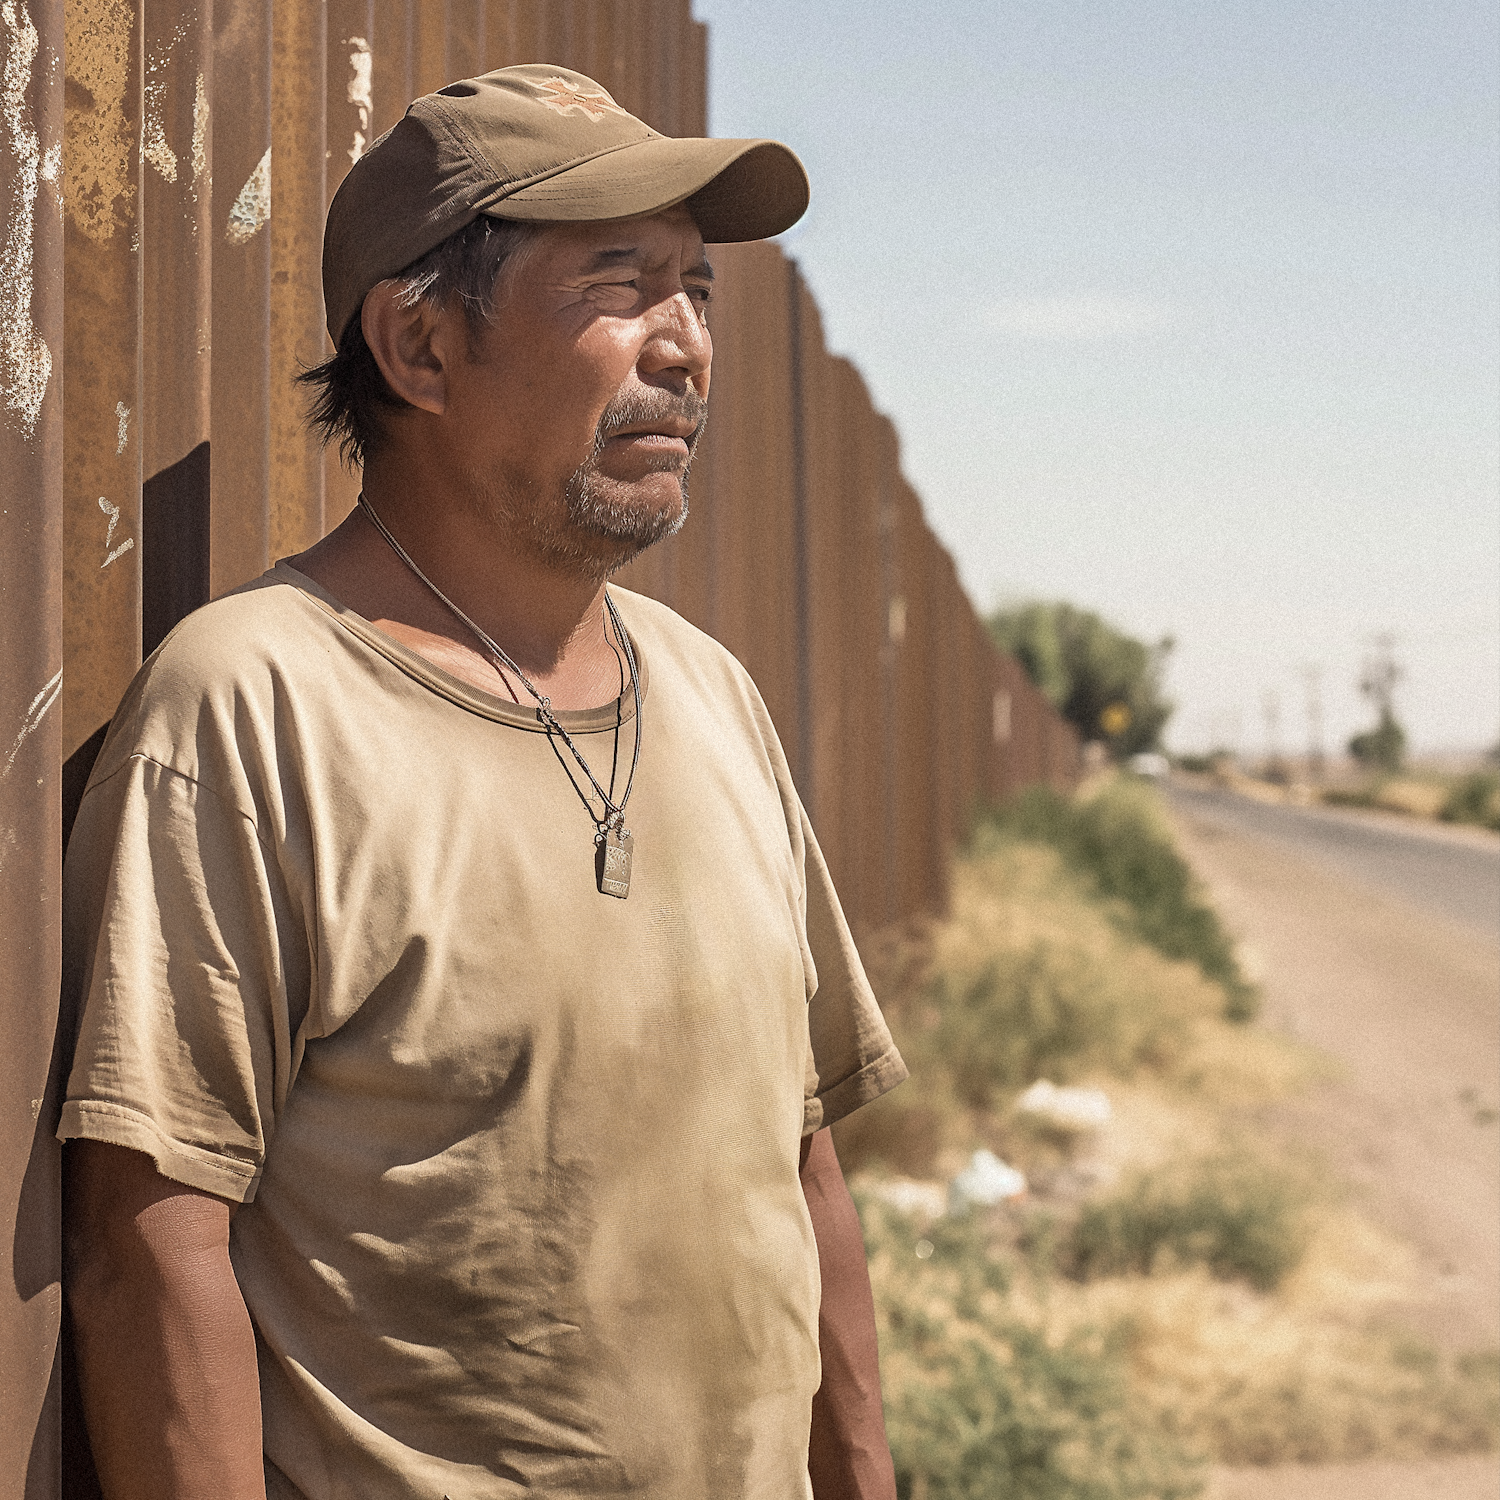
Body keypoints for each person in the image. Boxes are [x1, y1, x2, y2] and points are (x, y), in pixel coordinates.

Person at [60, 63, 906, 1500]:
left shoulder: (711, 691)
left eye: (698, 289)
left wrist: (864, 1473)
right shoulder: (257, 703)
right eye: (623, 284)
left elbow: (797, 1160)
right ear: (420, 347)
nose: (688, 344)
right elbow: (151, 1245)